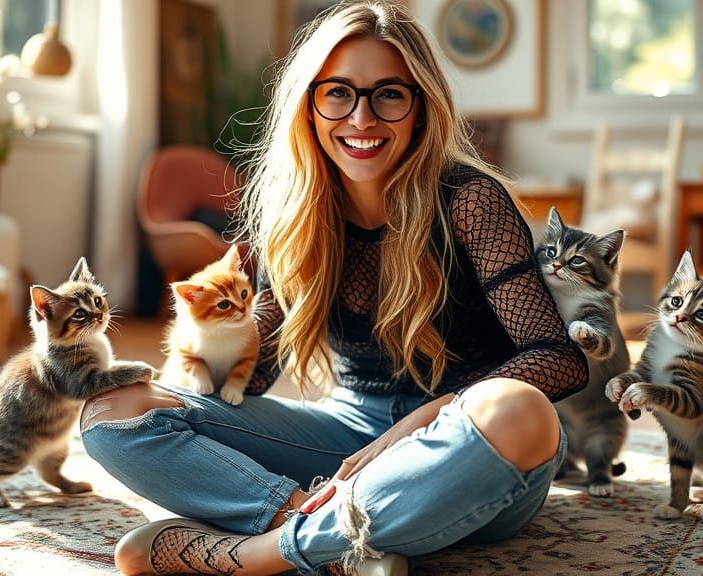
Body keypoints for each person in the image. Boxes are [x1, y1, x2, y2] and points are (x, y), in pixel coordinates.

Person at [79, 1, 587, 574]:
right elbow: (257, 369)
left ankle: (258, 555)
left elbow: (559, 359)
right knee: (114, 411)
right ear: (310, 105)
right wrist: (192, 380)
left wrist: (418, 424)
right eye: (338, 92)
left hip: (464, 440)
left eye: (389, 94)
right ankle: (317, 531)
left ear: (421, 107)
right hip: (345, 438)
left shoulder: (469, 200)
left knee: (522, 412)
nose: (362, 118)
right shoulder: (293, 212)